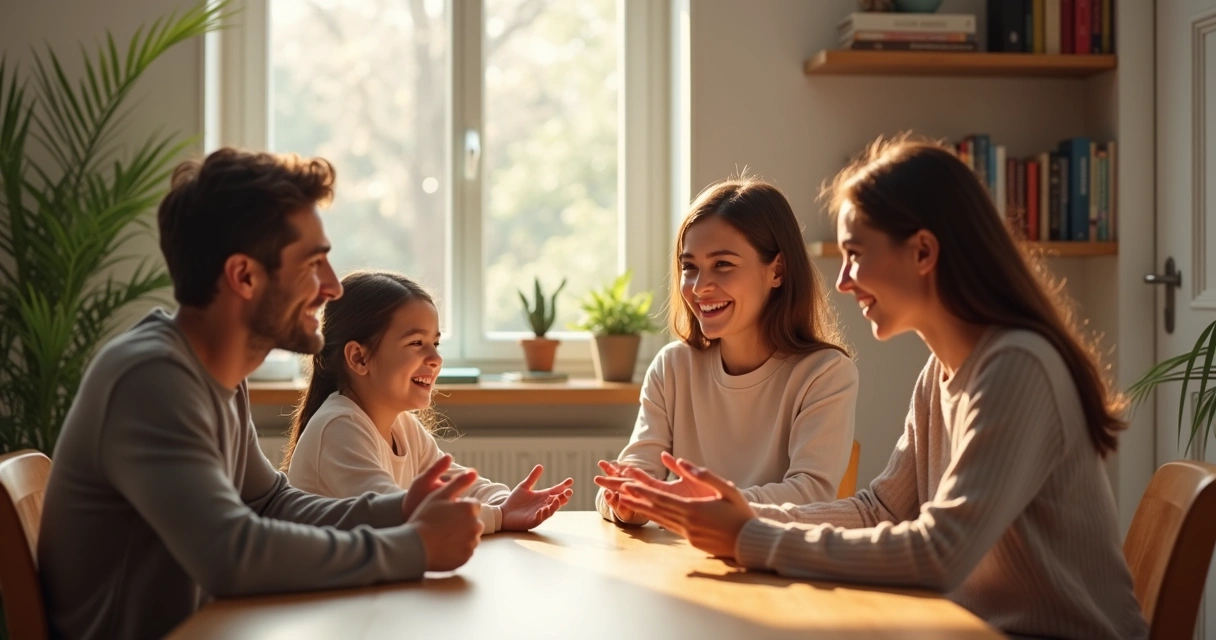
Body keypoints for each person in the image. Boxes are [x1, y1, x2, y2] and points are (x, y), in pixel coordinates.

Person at [614, 136, 1149, 639]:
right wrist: (742, 515)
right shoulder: (940, 373)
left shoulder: (1018, 367)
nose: (843, 280)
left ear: (922, 252)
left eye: (856, 253)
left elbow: (940, 552)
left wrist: (747, 537)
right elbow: (880, 510)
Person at [38, 148, 484, 640]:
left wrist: (397, 510)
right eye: (313, 264)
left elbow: (270, 502)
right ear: (244, 276)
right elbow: (232, 553)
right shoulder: (151, 378)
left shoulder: (215, 376)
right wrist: (415, 548)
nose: (333, 287)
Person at [594, 176, 858, 526]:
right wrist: (623, 500)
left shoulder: (825, 373)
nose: (700, 287)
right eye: (690, 267)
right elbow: (631, 472)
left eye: (723, 265)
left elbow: (811, 494)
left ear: (777, 270)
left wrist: (701, 501)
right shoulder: (672, 368)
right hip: (685, 566)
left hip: (775, 567)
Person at [282, 270, 573, 533]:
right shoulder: (339, 428)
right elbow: (400, 513)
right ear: (359, 357)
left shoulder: (403, 425)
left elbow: (457, 484)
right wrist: (499, 515)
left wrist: (505, 501)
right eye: (416, 343)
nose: (436, 359)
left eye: (435, 343)